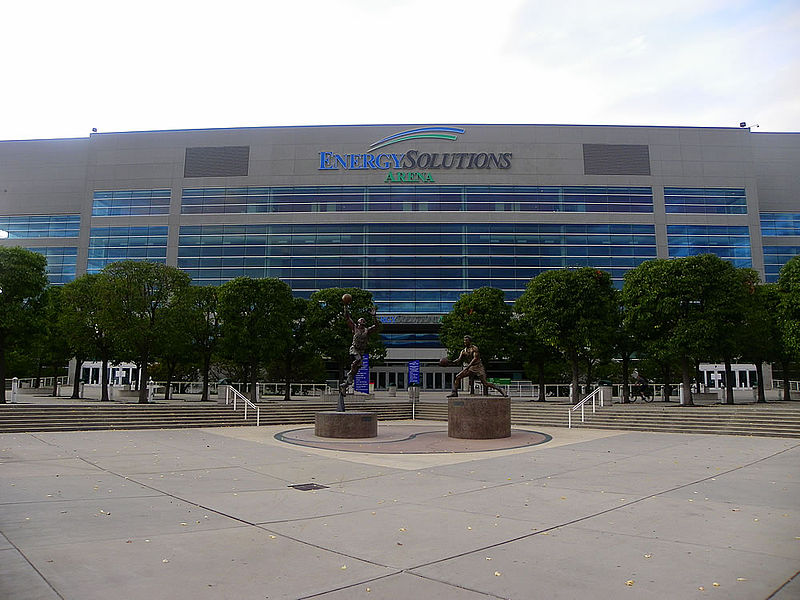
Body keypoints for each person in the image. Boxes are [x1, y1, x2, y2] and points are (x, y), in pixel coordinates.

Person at [339, 304, 381, 399]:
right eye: (360, 320)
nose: (361, 321)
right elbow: (347, 318)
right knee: (357, 359)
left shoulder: (367, 330)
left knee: (355, 371)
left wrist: (374, 316)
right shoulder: (354, 328)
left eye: (363, 320)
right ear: (358, 322)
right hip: (354, 349)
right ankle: (351, 370)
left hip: (361, 351)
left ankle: (345, 385)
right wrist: (345, 306)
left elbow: (377, 326)